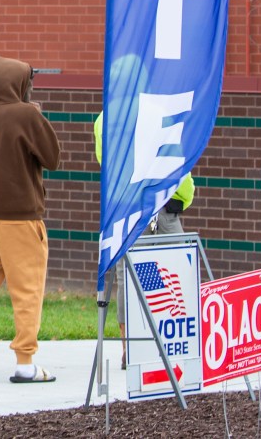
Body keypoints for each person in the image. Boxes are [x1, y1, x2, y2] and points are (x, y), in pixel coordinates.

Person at [0, 56, 61, 383]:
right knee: (26, 290)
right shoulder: (26, 114)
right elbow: (52, 158)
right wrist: (35, 114)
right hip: (21, 217)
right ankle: (24, 363)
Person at [93, 111, 195, 366]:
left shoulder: (106, 116)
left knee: (128, 278)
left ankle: (130, 348)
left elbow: (103, 160)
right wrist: (183, 197)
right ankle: (172, 342)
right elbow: (178, 163)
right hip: (163, 206)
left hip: (125, 207)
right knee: (175, 273)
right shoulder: (164, 111)